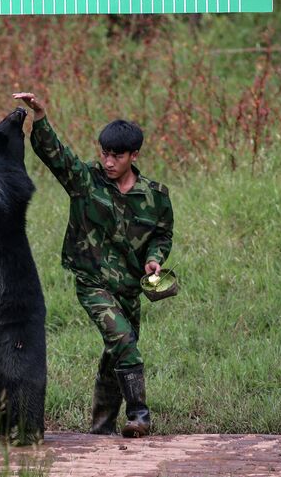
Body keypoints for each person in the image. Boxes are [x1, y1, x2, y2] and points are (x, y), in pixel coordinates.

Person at [13, 93, 173, 438]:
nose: (108, 160)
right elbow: (56, 155)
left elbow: (163, 234)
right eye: (104, 152)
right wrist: (40, 115)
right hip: (93, 283)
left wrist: (154, 259)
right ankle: (140, 415)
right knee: (123, 341)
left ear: (134, 155)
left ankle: (101, 429)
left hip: (130, 288)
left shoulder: (155, 195)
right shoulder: (85, 181)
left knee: (115, 353)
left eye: (117, 155)